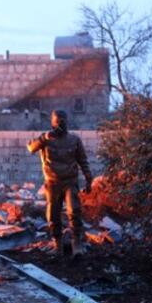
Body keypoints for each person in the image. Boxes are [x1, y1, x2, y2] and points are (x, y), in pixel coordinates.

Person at [27, 109, 92, 256]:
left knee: (74, 211)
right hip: (52, 183)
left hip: (70, 181)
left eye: (63, 121)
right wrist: (43, 139)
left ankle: (77, 245)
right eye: (58, 121)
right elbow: (31, 148)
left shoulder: (74, 140)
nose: (60, 124)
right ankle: (58, 245)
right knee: (53, 215)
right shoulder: (46, 139)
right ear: (52, 122)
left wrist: (89, 180)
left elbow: (83, 161)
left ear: (67, 121)